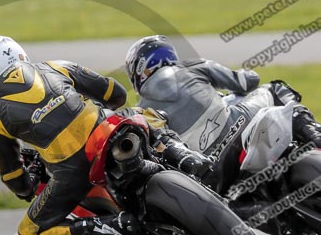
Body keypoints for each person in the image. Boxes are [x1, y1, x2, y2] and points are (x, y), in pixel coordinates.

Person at [0, 35, 206, 235]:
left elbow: (15, 180)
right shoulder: (56, 66)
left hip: (72, 172)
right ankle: (181, 153)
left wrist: (29, 181)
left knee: (30, 233)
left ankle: (104, 225)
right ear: (21, 55)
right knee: (139, 113)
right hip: (108, 129)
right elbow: (116, 93)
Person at [125, 35, 321, 195]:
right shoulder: (190, 66)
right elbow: (248, 81)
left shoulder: (141, 111)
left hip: (209, 172)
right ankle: (314, 133)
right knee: (275, 88)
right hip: (239, 128)